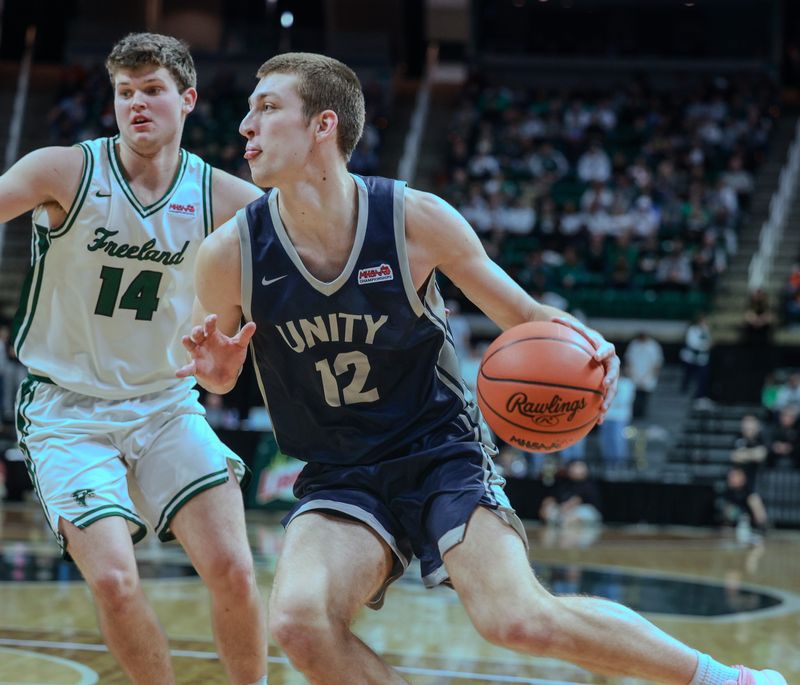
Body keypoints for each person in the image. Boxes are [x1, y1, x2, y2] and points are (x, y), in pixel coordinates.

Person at [179, 53, 786, 685]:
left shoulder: (412, 219)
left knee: (516, 618)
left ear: (323, 125)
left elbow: (524, 313)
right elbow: (214, 377)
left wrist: (589, 342)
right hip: (339, 473)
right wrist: (219, 371)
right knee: (299, 622)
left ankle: (722, 679)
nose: (246, 124)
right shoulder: (229, 254)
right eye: (249, 110)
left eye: (268, 108)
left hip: (440, 451)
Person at [1, 34, 267, 685]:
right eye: (125, 92)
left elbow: (307, 271)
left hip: (166, 402)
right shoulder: (62, 170)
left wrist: (232, 367)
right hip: (68, 410)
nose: (137, 104)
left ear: (188, 100)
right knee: (117, 580)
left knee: (233, 565)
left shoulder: (228, 199)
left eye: (152, 90)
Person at [623, 331, 663, 419]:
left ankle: (642, 414)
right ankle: (634, 413)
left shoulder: (653, 346)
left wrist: (649, 376)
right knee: (633, 396)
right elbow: (629, 360)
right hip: (635, 374)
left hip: (648, 375)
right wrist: (632, 374)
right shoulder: (634, 344)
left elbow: (657, 363)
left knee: (644, 396)